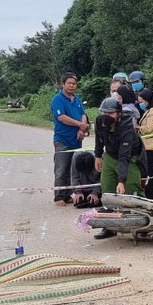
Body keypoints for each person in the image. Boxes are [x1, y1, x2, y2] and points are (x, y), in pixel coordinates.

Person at [51, 72, 89, 206]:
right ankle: (59, 196)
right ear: (63, 84)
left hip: (77, 140)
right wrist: (80, 125)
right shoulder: (58, 99)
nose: (72, 86)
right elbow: (61, 118)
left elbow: (83, 115)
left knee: (75, 168)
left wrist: (82, 129)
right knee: (62, 168)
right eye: (69, 83)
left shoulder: (76, 99)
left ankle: (68, 194)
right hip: (63, 139)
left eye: (74, 83)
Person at [93, 97, 144, 197]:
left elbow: (124, 156)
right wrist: (98, 156)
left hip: (129, 157)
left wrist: (121, 181)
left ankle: (138, 208)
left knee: (131, 187)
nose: (106, 116)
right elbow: (99, 138)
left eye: (111, 113)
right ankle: (110, 208)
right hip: (110, 154)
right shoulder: (99, 121)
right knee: (107, 185)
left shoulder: (126, 127)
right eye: (104, 113)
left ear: (118, 114)